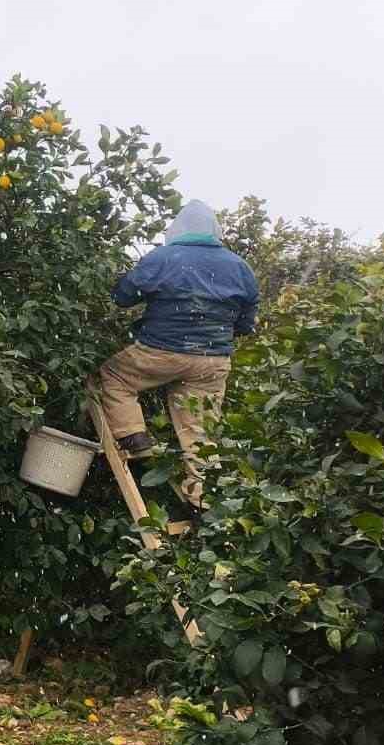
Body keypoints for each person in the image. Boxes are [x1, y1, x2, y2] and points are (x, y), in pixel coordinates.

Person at [92, 200, 259, 517]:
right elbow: (246, 323)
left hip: (162, 350)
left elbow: (123, 296)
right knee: (200, 434)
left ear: (178, 229)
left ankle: (133, 434)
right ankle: (202, 505)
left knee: (113, 376)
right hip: (213, 360)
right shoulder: (239, 266)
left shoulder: (165, 257)